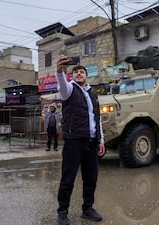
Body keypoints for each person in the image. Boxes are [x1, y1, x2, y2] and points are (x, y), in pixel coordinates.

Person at [55, 55, 106, 225]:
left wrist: (101, 140)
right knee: (68, 178)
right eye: (76, 72)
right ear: (72, 76)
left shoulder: (92, 94)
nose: (79, 74)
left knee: (91, 178)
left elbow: (97, 119)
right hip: (74, 142)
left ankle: (87, 209)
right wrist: (59, 71)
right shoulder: (69, 89)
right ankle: (62, 212)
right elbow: (61, 85)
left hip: (91, 142)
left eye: (82, 72)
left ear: (86, 75)